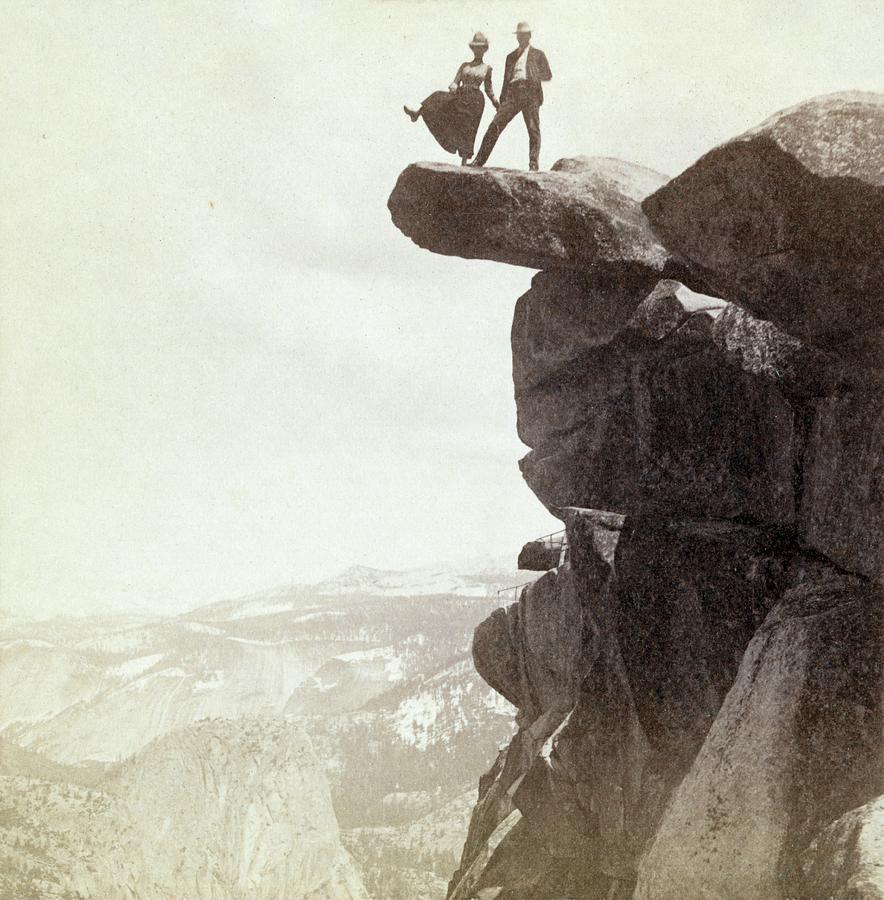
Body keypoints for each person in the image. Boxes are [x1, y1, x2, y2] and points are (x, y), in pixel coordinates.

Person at [404, 32, 499, 165]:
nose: (478, 50)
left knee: (469, 128)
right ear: (473, 49)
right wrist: (454, 85)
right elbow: (455, 81)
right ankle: (418, 112)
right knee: (438, 96)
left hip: (475, 100)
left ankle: (464, 162)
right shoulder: (465, 65)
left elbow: (489, 90)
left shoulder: (487, 68)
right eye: (476, 47)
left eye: (481, 47)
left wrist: (496, 103)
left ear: (484, 49)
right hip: (460, 95)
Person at [471, 22, 551, 171]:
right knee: (495, 125)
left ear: (529, 36)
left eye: (524, 35)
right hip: (513, 93)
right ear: (517, 37)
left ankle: (533, 164)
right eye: (519, 35)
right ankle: (478, 160)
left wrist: (533, 76)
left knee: (533, 129)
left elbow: (548, 75)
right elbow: (505, 81)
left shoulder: (538, 54)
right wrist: (502, 101)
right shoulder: (510, 57)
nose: (522, 38)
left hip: (530, 92)